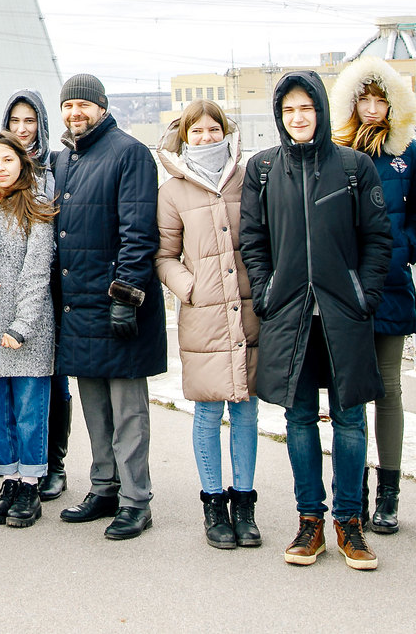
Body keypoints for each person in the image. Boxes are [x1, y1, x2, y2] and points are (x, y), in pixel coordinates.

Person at [239, 72, 390, 571]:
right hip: (288, 313)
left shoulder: (353, 166)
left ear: (322, 112)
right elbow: (253, 241)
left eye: (307, 108)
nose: (298, 118)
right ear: (279, 118)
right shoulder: (263, 169)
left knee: (349, 418)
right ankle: (310, 521)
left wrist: (363, 294)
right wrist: (265, 292)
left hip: (342, 314)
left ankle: (350, 522)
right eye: (289, 111)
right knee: (298, 418)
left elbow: (377, 238)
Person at [50, 73, 163, 541]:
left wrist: (125, 297)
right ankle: (104, 487)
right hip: (77, 307)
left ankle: (136, 500)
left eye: (84, 105)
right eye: (68, 106)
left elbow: (139, 234)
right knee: (94, 407)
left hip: (117, 305)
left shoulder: (129, 153)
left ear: (101, 107)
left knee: (128, 412)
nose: (75, 113)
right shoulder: (63, 160)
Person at [154, 98, 262, 550]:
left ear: (225, 131)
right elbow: (163, 256)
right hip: (204, 316)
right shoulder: (173, 190)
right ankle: (214, 505)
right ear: (184, 137)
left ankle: (245, 506)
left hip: (249, 310)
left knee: (246, 408)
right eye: (195, 132)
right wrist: (190, 288)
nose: (205, 138)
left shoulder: (249, 178)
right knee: (207, 409)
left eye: (212, 130)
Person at [330, 57, 416, 535]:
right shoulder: (333, 152)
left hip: (390, 283)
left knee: (388, 387)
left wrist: (403, 251)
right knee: (351, 394)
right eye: (362, 99)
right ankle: (356, 489)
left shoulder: (410, 153)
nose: (371, 108)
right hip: (343, 289)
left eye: (379, 100)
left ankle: (389, 493)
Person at [0, 131, 56, 529]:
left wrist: (22, 325)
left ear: (21, 161)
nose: (0, 168)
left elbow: (37, 271)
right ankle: (8, 479)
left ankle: (30, 483)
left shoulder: (35, 205)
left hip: (28, 329)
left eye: (7, 160)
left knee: (29, 411)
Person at [3, 87, 72, 501]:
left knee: (55, 381)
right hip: (14, 289)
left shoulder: (56, 167)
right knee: (13, 380)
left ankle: (54, 462)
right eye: (15, 122)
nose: (23, 129)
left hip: (57, 286)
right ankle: (18, 463)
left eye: (30, 121)